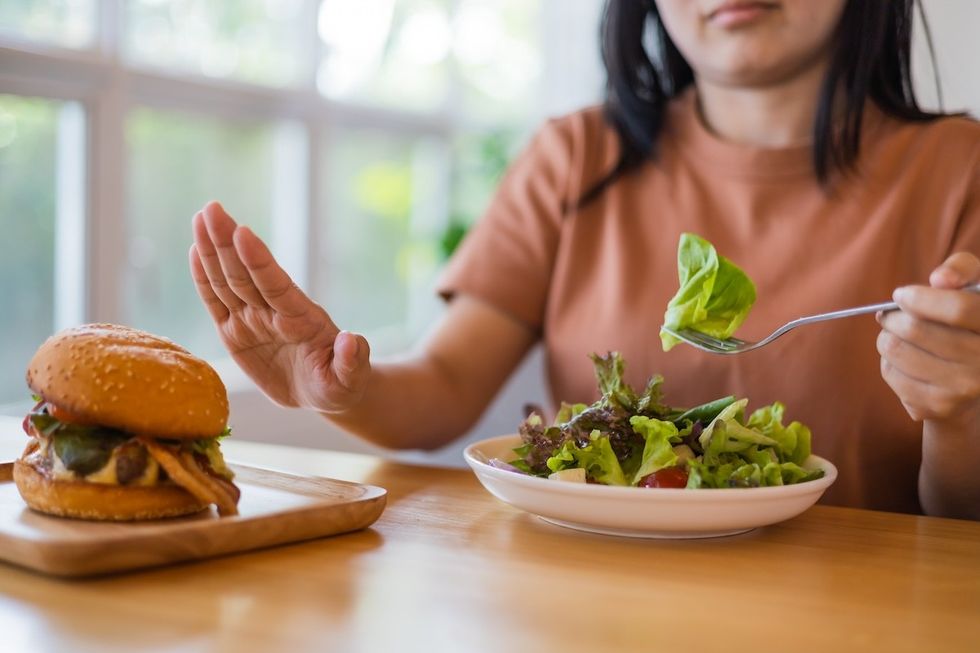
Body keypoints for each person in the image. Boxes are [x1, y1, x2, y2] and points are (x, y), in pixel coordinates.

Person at [189, 0, 980, 519]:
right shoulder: (575, 157)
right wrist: (337, 384)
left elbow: (962, 526)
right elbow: (443, 388)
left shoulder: (961, 170)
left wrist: (961, 407)